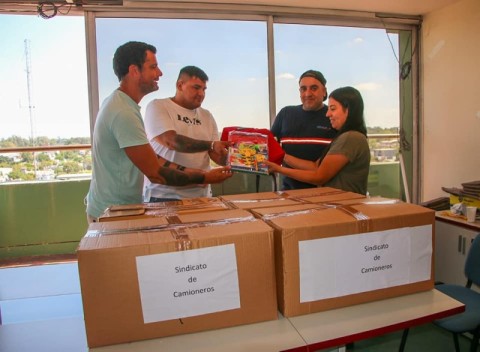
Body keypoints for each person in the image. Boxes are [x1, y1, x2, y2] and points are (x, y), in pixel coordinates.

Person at [85, 41, 232, 223]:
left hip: (124, 208)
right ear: (134, 70)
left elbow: (155, 160)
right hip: (112, 212)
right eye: (153, 67)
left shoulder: (125, 106)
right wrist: (203, 176)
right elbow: (156, 171)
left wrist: (231, 161)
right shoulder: (124, 112)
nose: (160, 73)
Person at [143, 65, 229, 202]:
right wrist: (212, 144)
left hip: (202, 196)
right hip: (163, 196)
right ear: (179, 85)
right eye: (196, 87)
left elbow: (213, 153)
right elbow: (171, 141)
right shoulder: (158, 106)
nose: (201, 93)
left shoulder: (207, 115)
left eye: (204, 89)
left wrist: (233, 159)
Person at [265, 86, 370, 195]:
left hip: (343, 205)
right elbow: (315, 167)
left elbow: (319, 177)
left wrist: (278, 169)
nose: (327, 114)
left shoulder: (351, 138)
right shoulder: (345, 137)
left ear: (348, 110)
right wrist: (282, 156)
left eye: (333, 109)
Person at [271, 69, 337, 190]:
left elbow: (320, 168)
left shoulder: (333, 117)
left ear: (324, 91)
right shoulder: (286, 114)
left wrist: (283, 156)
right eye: (303, 89)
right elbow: (269, 147)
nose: (308, 93)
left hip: (324, 194)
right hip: (288, 192)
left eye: (314, 88)